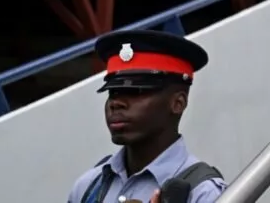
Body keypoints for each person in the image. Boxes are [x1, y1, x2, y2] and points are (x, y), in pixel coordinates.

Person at [67, 29, 224, 203]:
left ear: (178, 103)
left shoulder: (205, 193)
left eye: (135, 91)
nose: (115, 103)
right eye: (113, 92)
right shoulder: (88, 186)